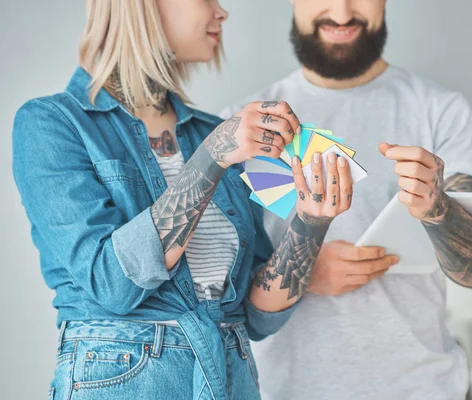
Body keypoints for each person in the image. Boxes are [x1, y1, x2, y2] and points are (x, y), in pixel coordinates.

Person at [12, 1, 353, 399]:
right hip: (124, 378)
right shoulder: (51, 123)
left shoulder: (218, 131)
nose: (222, 12)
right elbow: (111, 284)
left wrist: (310, 221)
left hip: (231, 377)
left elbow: (257, 316)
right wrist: (213, 156)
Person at [220, 0, 472, 399]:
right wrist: (302, 270)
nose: (341, 13)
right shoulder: (245, 126)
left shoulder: (441, 111)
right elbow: (219, 297)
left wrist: (436, 209)